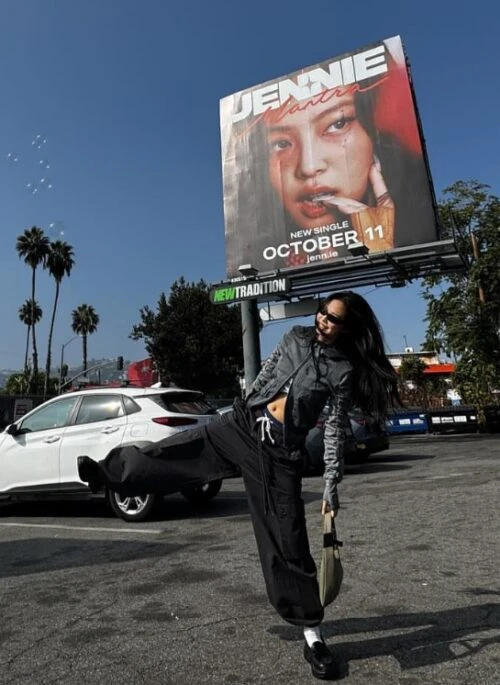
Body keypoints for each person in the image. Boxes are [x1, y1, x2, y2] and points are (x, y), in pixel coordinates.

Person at [78, 291, 400, 680]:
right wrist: (249, 401)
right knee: (185, 449)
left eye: (332, 319)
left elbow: (333, 430)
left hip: (281, 453)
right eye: (321, 313)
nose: (322, 322)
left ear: (348, 327)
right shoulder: (296, 337)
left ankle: (313, 635)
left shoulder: (342, 370)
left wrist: (331, 483)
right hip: (246, 426)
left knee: (289, 540)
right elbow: (269, 372)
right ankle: (111, 471)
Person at [221, 51, 438, 277]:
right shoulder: (259, 256)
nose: (308, 167)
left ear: (375, 137)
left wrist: (380, 248)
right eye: (281, 143)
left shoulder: (416, 233)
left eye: (338, 123)